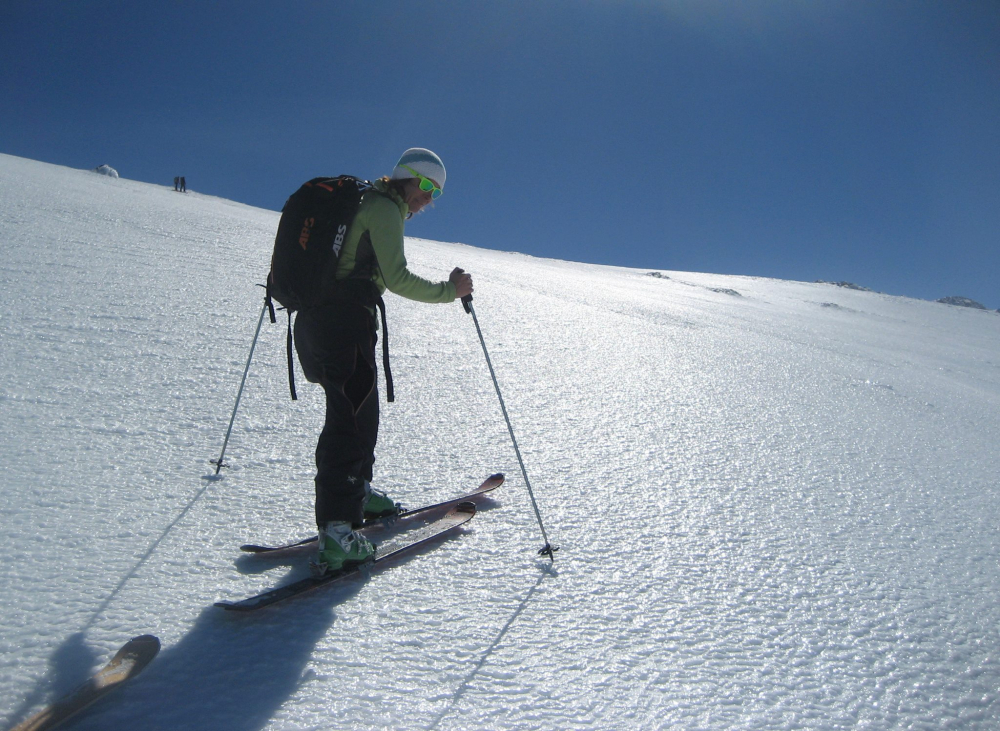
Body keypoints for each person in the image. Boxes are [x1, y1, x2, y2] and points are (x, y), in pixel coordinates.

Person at [293, 148, 473, 573]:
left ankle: (358, 493)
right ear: (405, 179)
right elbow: (397, 278)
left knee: (359, 415)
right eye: (425, 186)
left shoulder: (366, 203)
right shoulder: (383, 208)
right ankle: (337, 530)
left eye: (436, 194)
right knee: (349, 422)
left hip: (320, 323)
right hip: (344, 323)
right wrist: (451, 292)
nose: (428, 199)